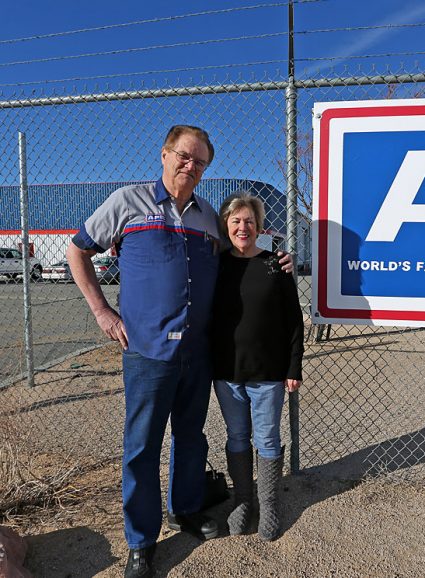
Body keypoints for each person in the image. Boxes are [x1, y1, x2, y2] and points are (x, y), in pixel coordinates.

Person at [66, 126, 293, 578]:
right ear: (165, 154)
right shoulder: (128, 203)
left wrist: (277, 259)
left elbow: (241, 253)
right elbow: (78, 250)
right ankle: (140, 541)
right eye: (185, 157)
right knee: (142, 448)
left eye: (201, 162)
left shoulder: (209, 215)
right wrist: (103, 313)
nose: (192, 167)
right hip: (147, 354)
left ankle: (185, 509)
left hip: (197, 352)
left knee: (191, 438)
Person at [211, 192, 304, 541]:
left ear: (259, 226)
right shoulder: (217, 265)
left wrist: (294, 366)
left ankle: (268, 504)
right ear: (226, 225)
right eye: (235, 220)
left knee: (267, 438)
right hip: (226, 372)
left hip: (268, 374)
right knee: (236, 436)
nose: (242, 227)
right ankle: (243, 501)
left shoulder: (275, 264)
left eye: (249, 220)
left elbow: (294, 320)